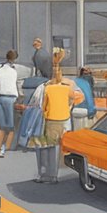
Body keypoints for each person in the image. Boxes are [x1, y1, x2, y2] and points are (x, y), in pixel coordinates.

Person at [37, 50, 83, 183]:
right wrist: (69, 106)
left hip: (52, 120)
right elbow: (78, 97)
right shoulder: (69, 85)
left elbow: (43, 106)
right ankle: (62, 171)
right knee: (62, 145)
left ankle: (49, 174)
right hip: (65, 119)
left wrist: (46, 114)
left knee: (50, 147)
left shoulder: (47, 87)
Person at [0, 50, 19, 158]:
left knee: (2, 126)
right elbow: (15, 85)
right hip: (11, 98)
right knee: (12, 126)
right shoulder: (14, 71)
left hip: (1, 97)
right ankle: (5, 148)